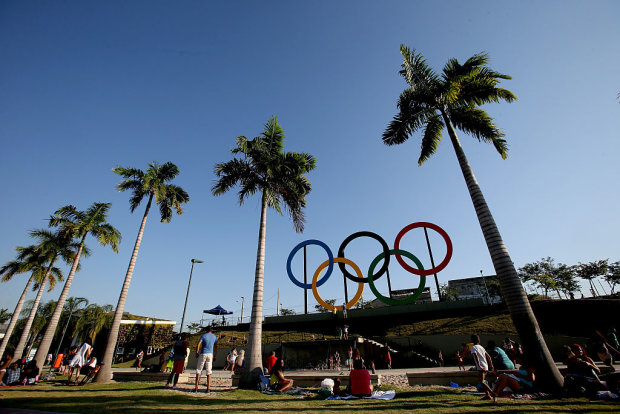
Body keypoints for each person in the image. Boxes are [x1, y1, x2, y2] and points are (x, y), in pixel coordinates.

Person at [470, 334, 495, 400]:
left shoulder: (473, 347)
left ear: (472, 340)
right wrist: (491, 365)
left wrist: (479, 365)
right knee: (482, 381)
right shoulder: (481, 347)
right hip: (485, 366)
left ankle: (492, 393)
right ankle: (487, 395)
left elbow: (476, 356)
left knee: (482, 382)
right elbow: (489, 357)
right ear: (479, 340)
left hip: (481, 367)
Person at [195, 326, 218, 393]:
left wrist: (197, 352)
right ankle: (208, 388)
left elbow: (198, 344)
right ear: (212, 330)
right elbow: (216, 346)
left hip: (203, 353)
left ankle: (196, 387)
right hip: (210, 354)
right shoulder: (214, 337)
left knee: (199, 369)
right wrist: (215, 356)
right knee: (209, 371)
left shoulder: (203, 336)